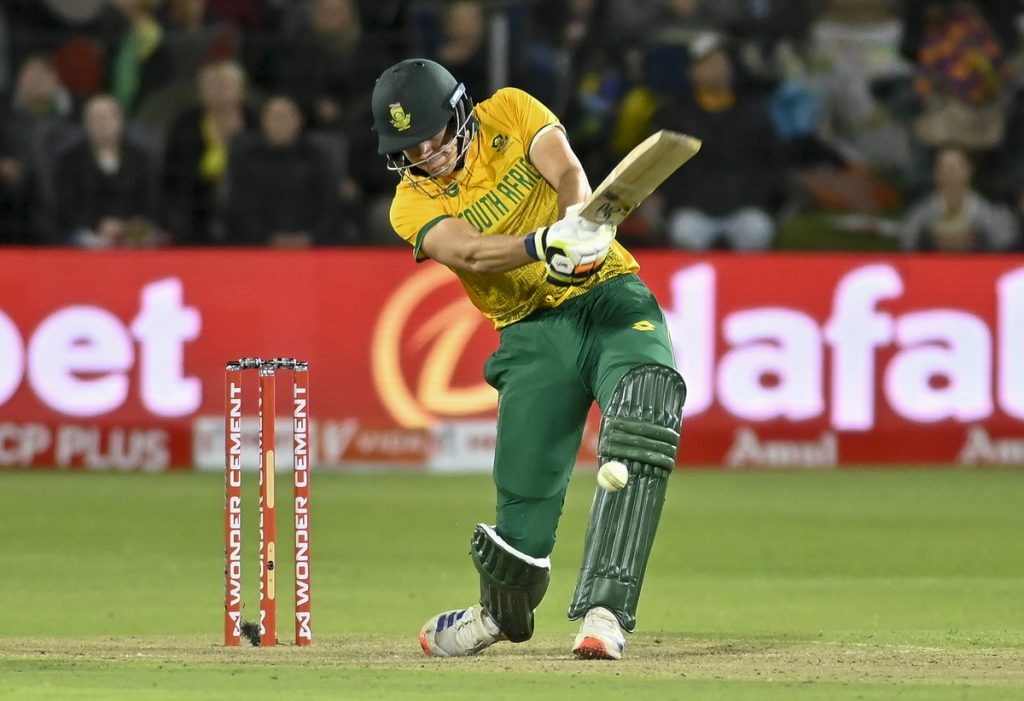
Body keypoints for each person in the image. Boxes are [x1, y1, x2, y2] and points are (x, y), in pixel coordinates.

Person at [371, 58, 687, 660]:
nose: (424, 156)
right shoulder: (408, 204)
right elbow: (467, 252)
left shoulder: (512, 109)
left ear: (460, 112)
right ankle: (497, 615)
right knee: (522, 510)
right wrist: (542, 244)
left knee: (648, 401)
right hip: (530, 330)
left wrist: (579, 227)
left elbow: (567, 168)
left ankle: (605, 612)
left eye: (431, 137)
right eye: (407, 149)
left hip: (609, 296)